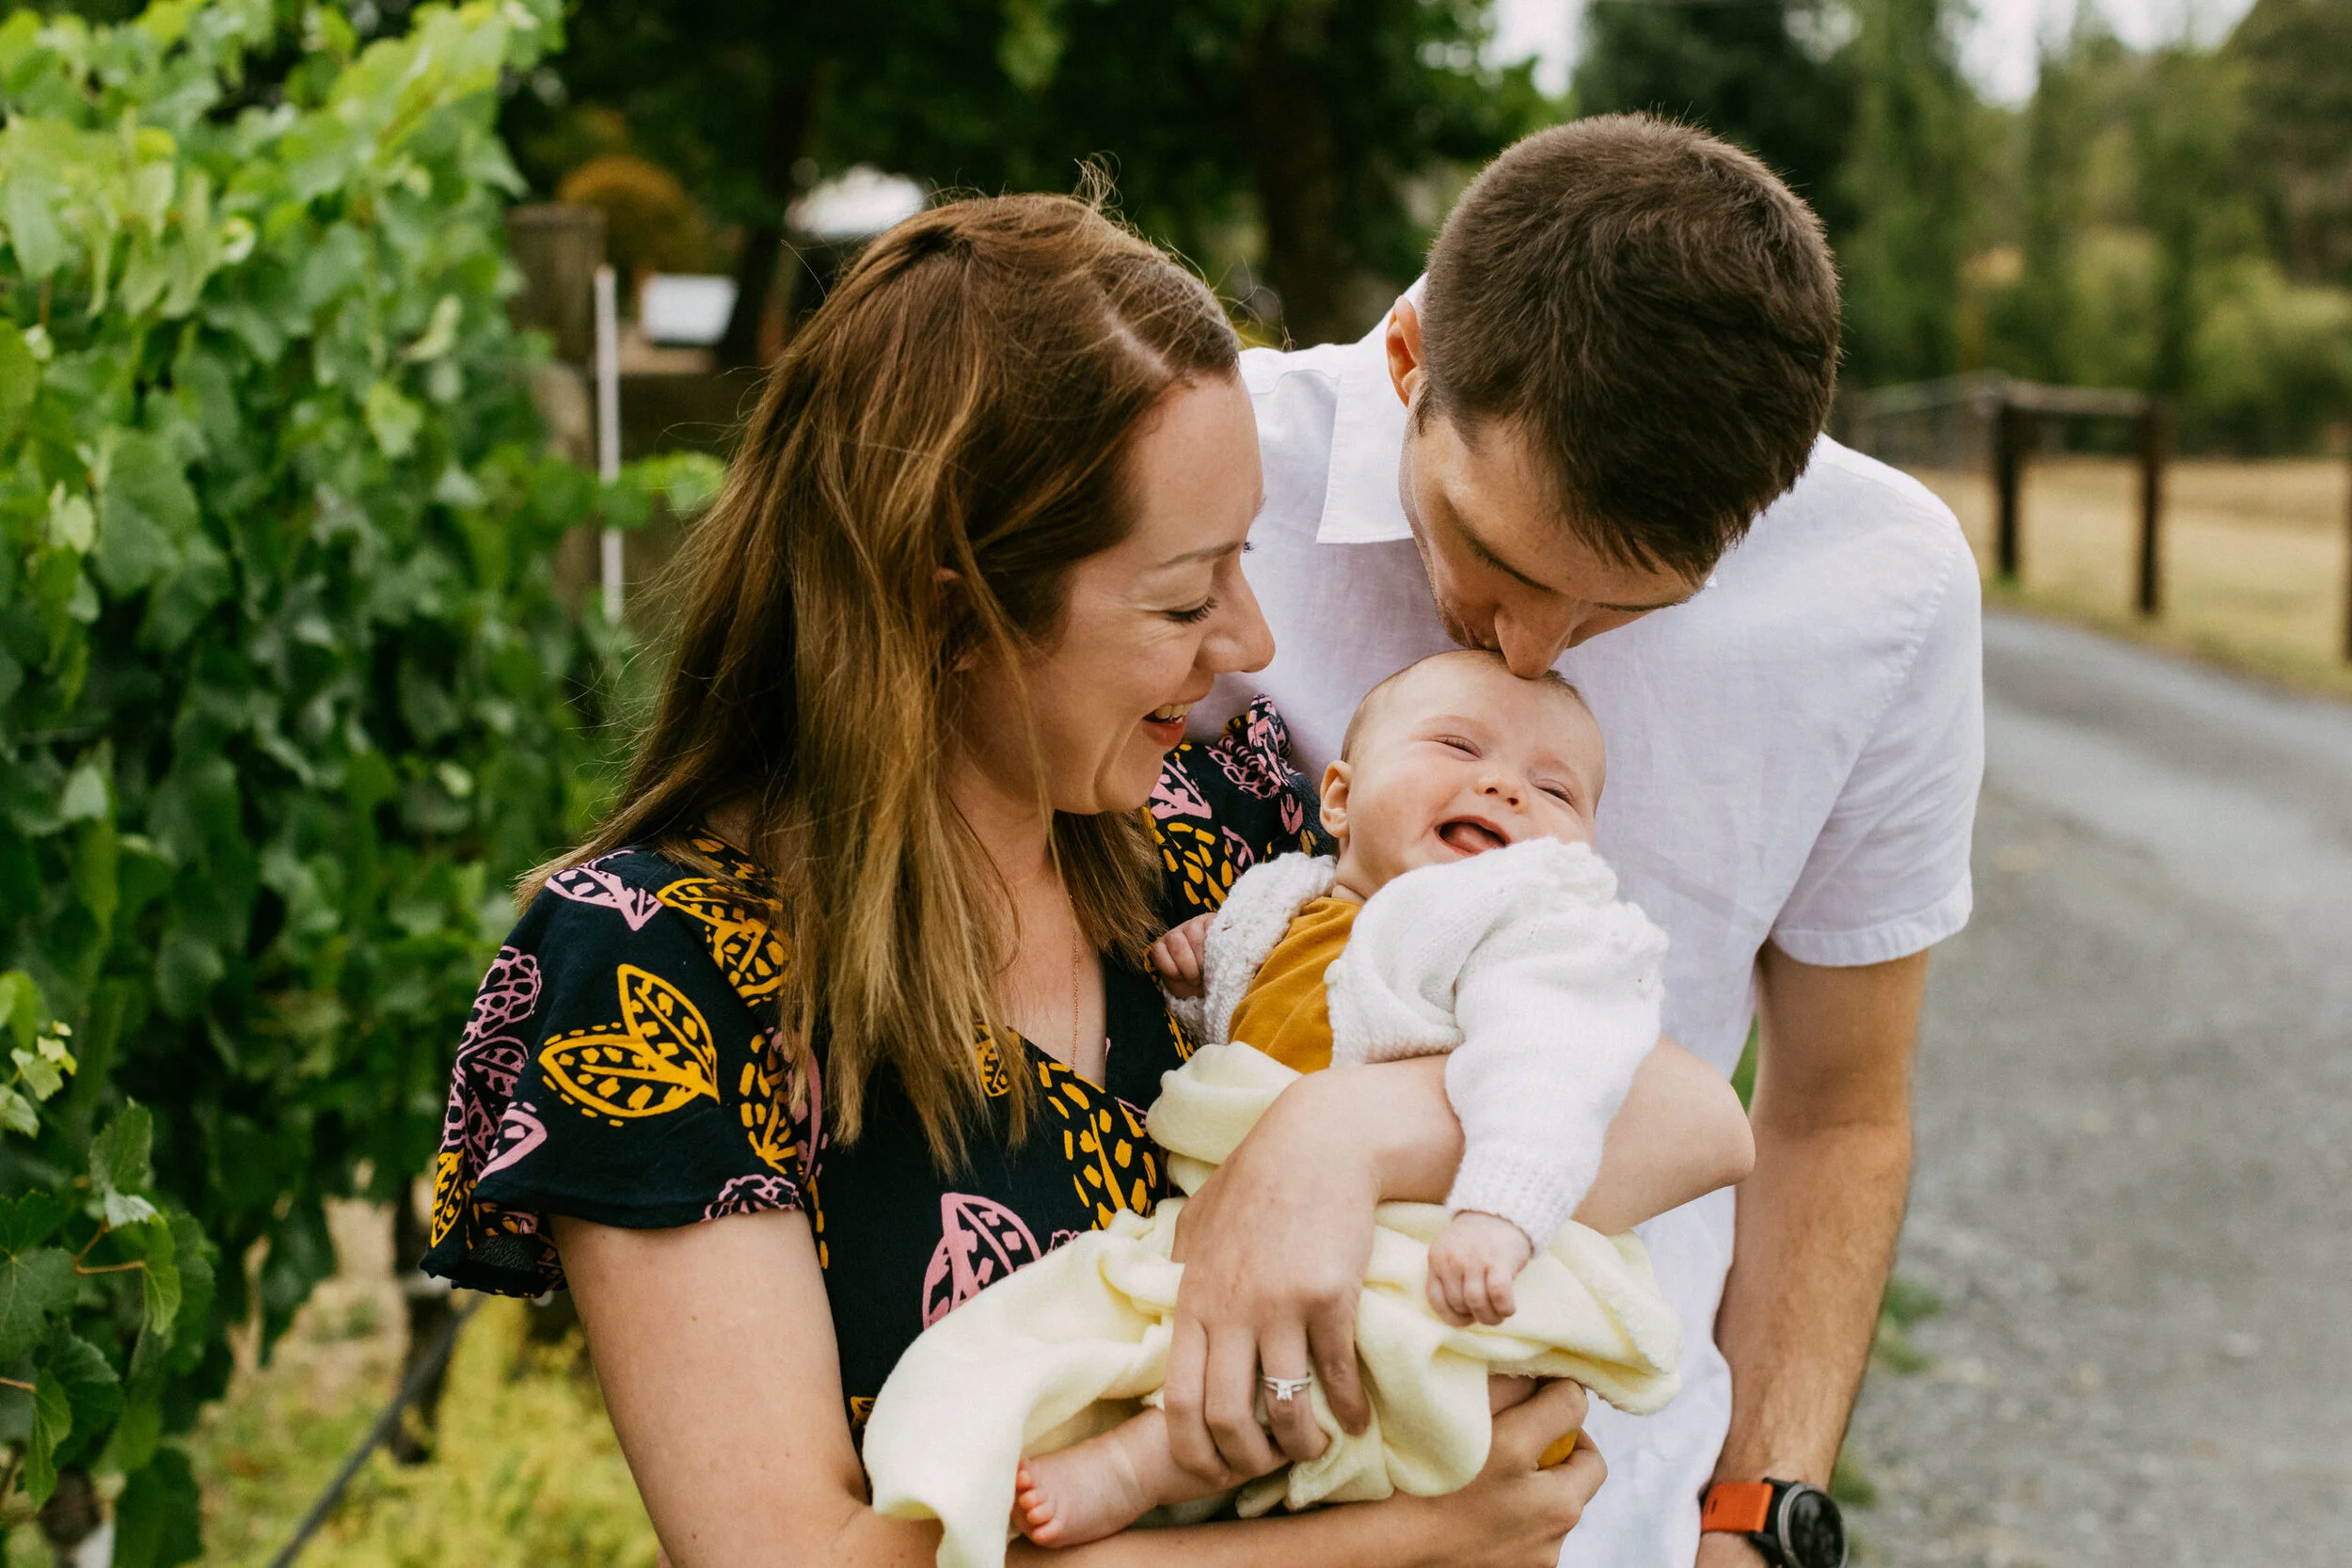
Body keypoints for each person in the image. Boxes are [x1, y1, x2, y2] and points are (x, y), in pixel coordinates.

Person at [420, 192, 1749, 1568]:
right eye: (1184, 596)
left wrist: (1331, 1142)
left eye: (1244, 556)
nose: (1251, 632)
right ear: (953, 607)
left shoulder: (1221, 836)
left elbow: (1688, 1113)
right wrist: (1413, 1536)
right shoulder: (650, 968)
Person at [1168, 117, 1985, 1568]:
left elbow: (1838, 1110)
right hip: (1190, 1446)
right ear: (1410, 362)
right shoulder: (1207, 472)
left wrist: (1754, 1515)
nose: (1531, 645)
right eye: (1499, 553)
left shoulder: (1887, 589)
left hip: (1614, 1509)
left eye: (1629, 608)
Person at [862, 650, 1745, 1563]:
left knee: (1341, 1335)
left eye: (1556, 790)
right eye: (1457, 743)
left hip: (1425, 1231)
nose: (1505, 785)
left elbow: (1549, 1064)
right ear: (1337, 796)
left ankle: (1146, 1461)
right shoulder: (1284, 892)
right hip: (1254, 1199)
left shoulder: (1521, 929)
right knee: (1151, 1309)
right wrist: (1198, 958)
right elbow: (1244, 996)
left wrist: (1498, 1210)